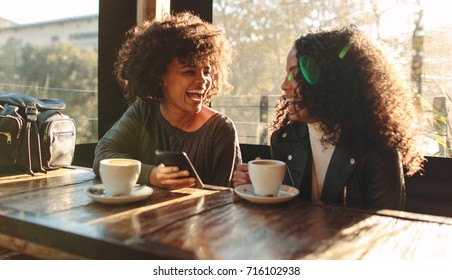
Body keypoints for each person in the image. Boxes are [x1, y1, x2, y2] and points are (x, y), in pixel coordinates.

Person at [233, 26, 425, 210]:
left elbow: (384, 229)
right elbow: (283, 213)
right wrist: (258, 189)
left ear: (332, 81)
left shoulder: (377, 148)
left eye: (295, 74)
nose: (284, 85)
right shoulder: (284, 139)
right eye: (286, 75)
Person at [93, 12, 242, 188]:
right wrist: (151, 175)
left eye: (207, 71)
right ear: (159, 75)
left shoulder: (220, 129)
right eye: (189, 71)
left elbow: (226, 199)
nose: (203, 80)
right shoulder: (143, 111)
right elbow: (103, 156)